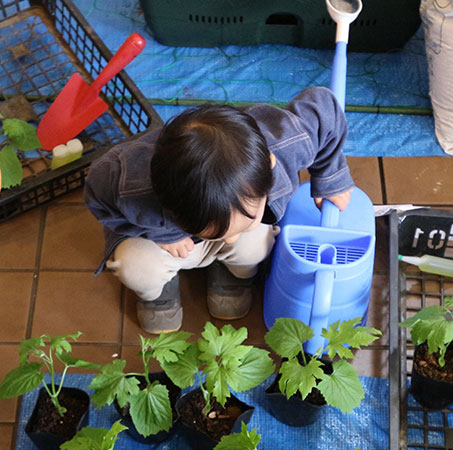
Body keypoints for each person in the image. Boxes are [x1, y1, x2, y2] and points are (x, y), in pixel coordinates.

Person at [84, 86, 355, 334]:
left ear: (269, 166)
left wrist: (330, 176)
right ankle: (157, 290)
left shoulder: (287, 141)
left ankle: (231, 270)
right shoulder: (128, 182)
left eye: (246, 222)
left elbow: (325, 106)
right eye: (217, 234)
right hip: (162, 238)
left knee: (252, 245)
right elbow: (96, 195)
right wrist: (164, 233)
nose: (231, 238)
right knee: (136, 267)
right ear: (168, 202)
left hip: (195, 229)